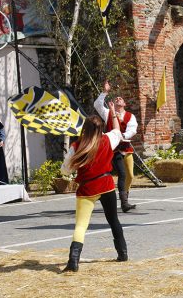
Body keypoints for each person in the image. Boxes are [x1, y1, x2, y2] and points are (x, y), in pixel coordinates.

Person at [61, 102, 128, 272]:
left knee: (81, 226)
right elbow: (117, 131)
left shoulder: (76, 147)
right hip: (106, 185)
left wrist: (72, 170)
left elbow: (65, 170)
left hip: (87, 189)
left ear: (85, 128)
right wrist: (112, 112)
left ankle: (73, 262)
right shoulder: (107, 139)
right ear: (100, 129)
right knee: (113, 220)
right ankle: (123, 254)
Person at [94, 81, 137, 212]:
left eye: (121, 99)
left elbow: (132, 130)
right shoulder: (108, 113)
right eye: (116, 98)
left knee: (130, 175)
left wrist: (121, 136)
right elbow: (97, 105)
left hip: (125, 148)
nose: (118, 98)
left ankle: (125, 197)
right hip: (112, 149)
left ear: (124, 104)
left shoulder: (130, 116)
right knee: (113, 173)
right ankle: (121, 202)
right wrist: (105, 91)